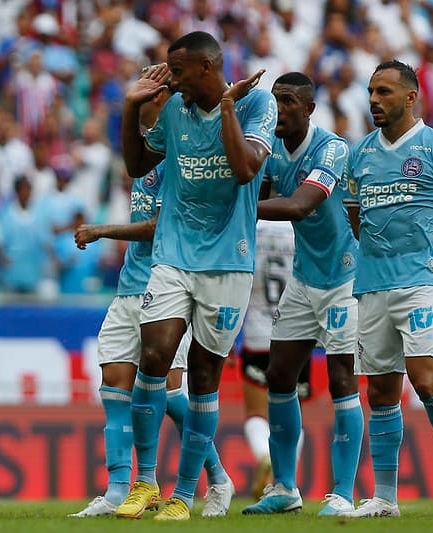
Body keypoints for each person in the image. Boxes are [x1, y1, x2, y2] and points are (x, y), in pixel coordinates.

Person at [115, 31, 276, 521]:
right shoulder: (174, 110)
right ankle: (145, 482)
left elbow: (246, 169)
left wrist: (228, 104)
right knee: (155, 354)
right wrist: (130, 109)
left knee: (205, 376)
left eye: (179, 71)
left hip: (229, 261)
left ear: (207, 67)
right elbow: (137, 163)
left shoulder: (257, 104)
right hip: (174, 253)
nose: (173, 81)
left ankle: (186, 494)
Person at [68, 84, 233, 519]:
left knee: (171, 395)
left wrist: (104, 231)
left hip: (168, 287)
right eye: (138, 100)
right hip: (129, 287)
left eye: (150, 98)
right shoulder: (143, 162)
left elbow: (163, 225)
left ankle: (216, 476)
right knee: (114, 387)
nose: (143, 107)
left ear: (171, 102)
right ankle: (120, 487)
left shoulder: (183, 158)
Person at [343, 60, 433, 518]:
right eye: (370, 91)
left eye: (383, 92)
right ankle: (385, 497)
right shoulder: (359, 154)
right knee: (381, 391)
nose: (374, 100)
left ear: (410, 97)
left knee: (425, 380)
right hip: (373, 284)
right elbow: (356, 217)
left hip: (421, 282)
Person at [242, 72, 363, 517]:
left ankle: (343, 495)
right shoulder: (270, 151)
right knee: (278, 376)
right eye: (275, 101)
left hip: (344, 280)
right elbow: (254, 184)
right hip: (303, 279)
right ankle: (285, 487)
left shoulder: (332, 148)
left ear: (309, 108)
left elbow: (299, 205)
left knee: (341, 380)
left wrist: (240, 208)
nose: (280, 108)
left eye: (289, 100)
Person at [235, 218, 310, 501]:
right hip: (295, 333)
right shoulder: (300, 224)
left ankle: (265, 456)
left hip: (257, 333)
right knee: (293, 414)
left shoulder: (250, 226)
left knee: (256, 414)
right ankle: (284, 478)